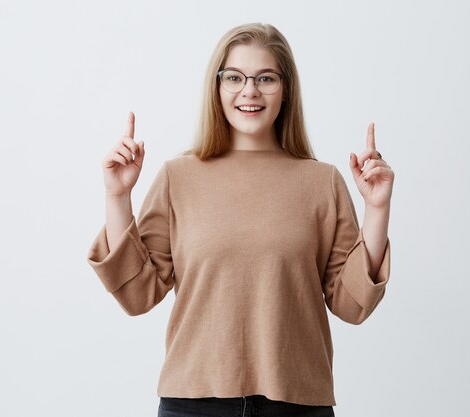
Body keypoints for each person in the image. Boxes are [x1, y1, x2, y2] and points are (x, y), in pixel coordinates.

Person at [87, 22, 394, 417]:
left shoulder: (322, 182)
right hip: (192, 404)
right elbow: (136, 295)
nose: (249, 90)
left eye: (265, 78)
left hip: (297, 405)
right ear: (217, 87)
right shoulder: (178, 177)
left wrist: (378, 209)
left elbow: (352, 305)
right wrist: (117, 196)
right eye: (234, 77)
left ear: (286, 90)